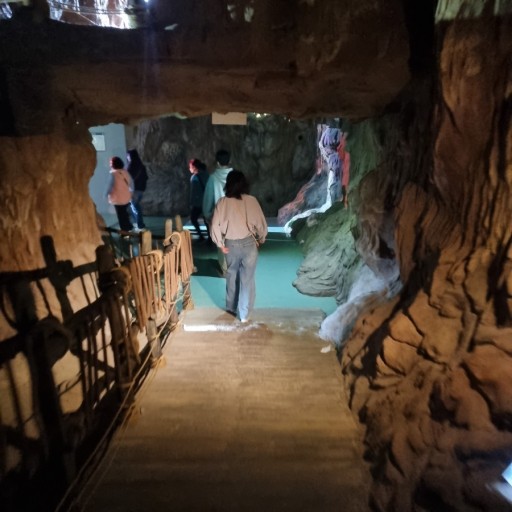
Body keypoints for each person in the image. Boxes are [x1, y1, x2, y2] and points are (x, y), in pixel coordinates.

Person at [210, 170, 268, 322]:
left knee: (231, 276)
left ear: (228, 184)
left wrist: (220, 244)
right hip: (249, 245)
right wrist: (262, 238)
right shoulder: (251, 201)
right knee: (247, 279)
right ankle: (244, 314)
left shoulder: (222, 202)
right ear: (244, 184)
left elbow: (214, 225)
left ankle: (231, 308)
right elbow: (260, 223)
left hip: (231, 245)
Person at [202, 149, 233, 273]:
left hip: (220, 218)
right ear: (230, 161)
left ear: (217, 162)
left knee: (222, 243)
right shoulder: (236, 177)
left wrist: (208, 216)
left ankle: (225, 269)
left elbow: (207, 201)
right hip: (236, 217)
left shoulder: (213, 179)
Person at [106, 156, 133, 232]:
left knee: (121, 215)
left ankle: (124, 231)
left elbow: (109, 186)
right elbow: (131, 184)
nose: (110, 164)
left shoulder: (113, 174)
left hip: (118, 198)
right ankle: (129, 226)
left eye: (111, 163)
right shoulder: (125, 172)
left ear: (114, 164)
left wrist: (106, 194)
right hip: (126, 197)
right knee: (124, 213)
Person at [126, 149, 148, 230]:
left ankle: (140, 224)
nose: (127, 157)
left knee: (135, 208)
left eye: (128, 156)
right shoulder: (141, 166)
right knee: (135, 207)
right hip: (141, 189)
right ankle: (139, 223)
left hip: (133, 190)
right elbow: (146, 177)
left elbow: (128, 179)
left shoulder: (131, 166)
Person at [188, 158, 209, 241]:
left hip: (198, 203)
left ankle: (201, 236)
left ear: (194, 167)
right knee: (206, 220)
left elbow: (194, 192)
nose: (189, 168)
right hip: (207, 201)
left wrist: (191, 203)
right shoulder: (207, 175)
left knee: (193, 218)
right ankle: (210, 238)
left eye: (190, 167)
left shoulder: (194, 178)